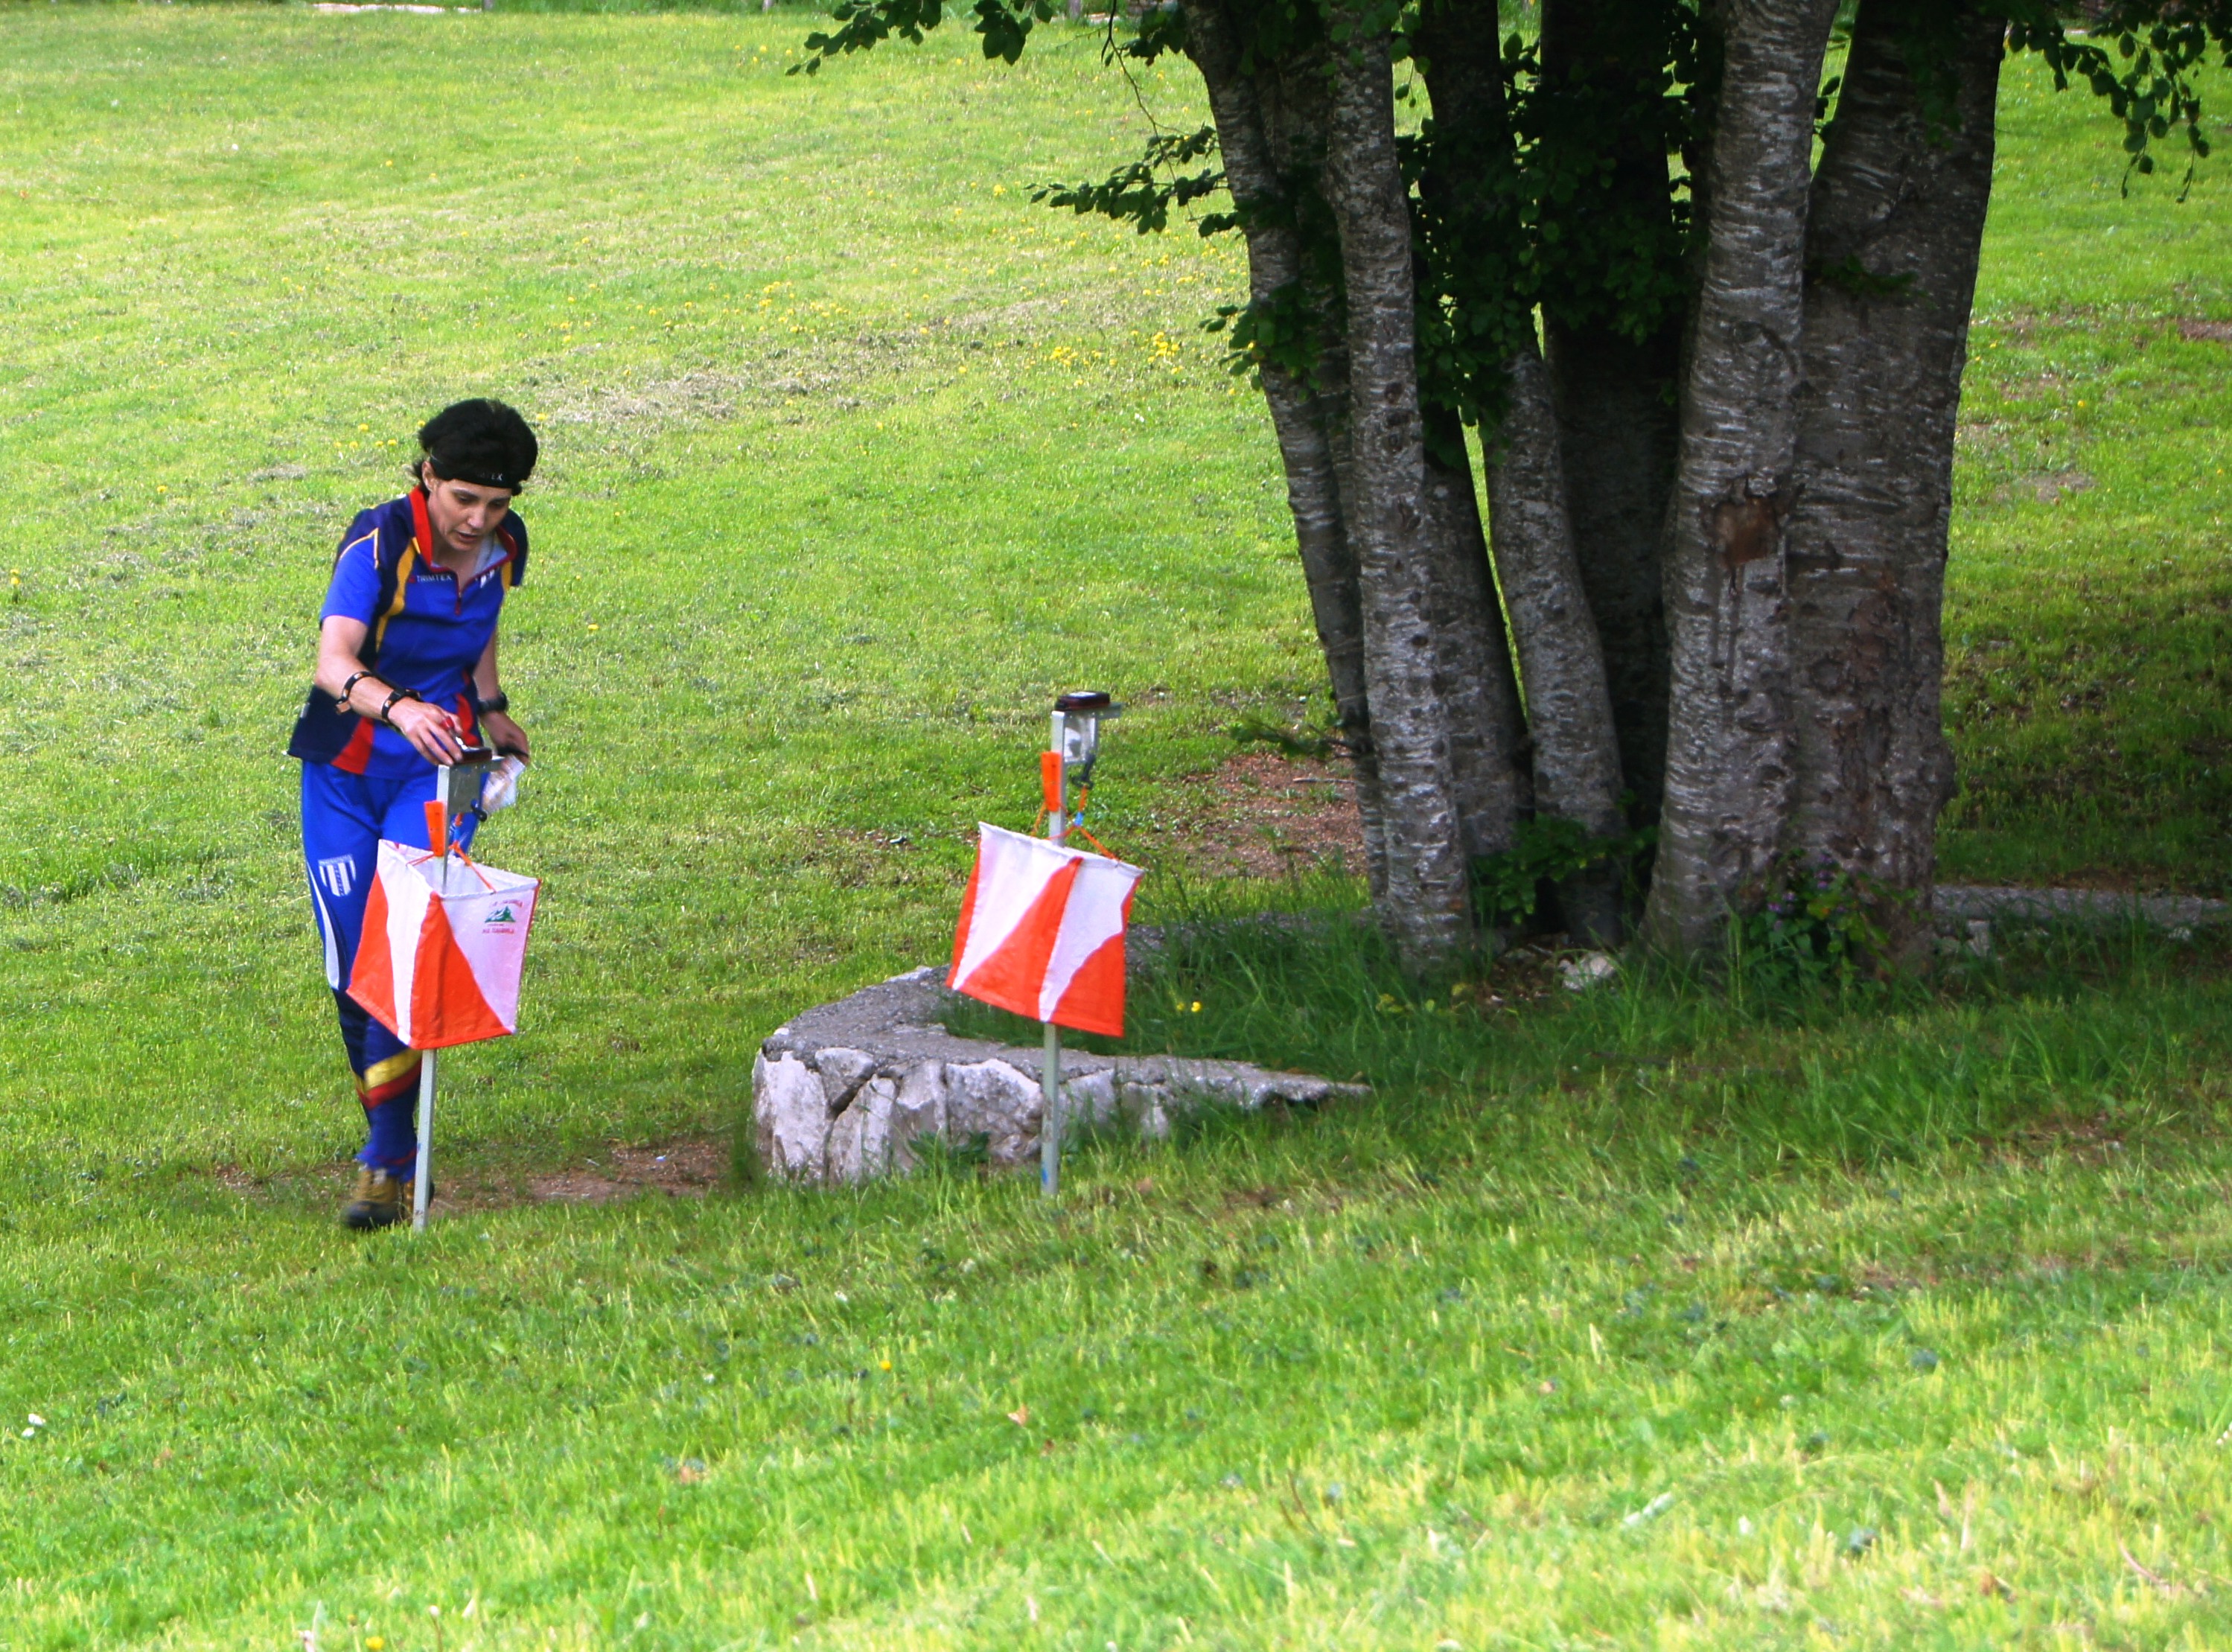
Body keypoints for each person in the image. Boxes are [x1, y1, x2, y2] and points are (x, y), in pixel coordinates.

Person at [288, 399, 538, 1230]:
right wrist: (398, 708)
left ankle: (387, 1158)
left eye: (496, 505)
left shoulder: (505, 548)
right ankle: (392, 1149)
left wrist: (491, 704)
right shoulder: (379, 543)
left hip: (442, 770)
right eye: (464, 498)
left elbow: (482, 622)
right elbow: (333, 660)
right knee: (352, 955)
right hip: (344, 767)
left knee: (406, 943)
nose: (479, 519)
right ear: (427, 475)